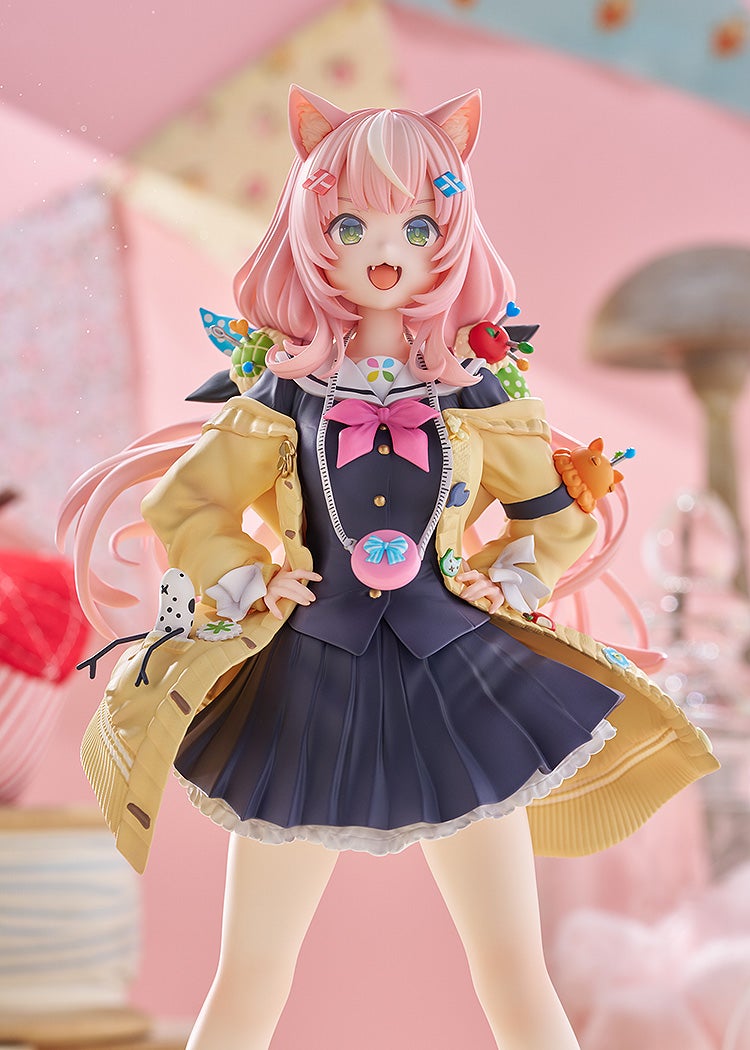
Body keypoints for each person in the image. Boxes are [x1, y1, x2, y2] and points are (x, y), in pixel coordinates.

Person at [60, 87, 717, 1050]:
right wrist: (250, 576)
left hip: (457, 676)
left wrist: (509, 577)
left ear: (449, 235)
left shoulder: (472, 391)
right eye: (351, 224)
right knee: (251, 969)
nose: (385, 251)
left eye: (417, 226)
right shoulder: (284, 390)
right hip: (308, 680)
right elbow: (188, 504)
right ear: (312, 230)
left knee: (511, 964)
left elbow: (552, 511)